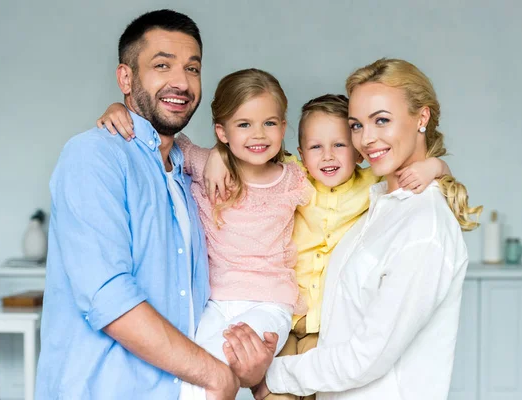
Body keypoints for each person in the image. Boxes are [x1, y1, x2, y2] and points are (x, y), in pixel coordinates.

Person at [100, 90, 450, 400]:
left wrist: (435, 165)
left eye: (340, 145)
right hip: (283, 315)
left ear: (358, 152)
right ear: (300, 152)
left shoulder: (369, 184)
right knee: (226, 374)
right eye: (316, 147)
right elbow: (191, 147)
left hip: (325, 326)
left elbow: (403, 163)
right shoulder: (298, 177)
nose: (327, 156)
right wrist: (219, 152)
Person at [221, 58, 483, 400]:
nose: (367, 139)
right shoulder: (379, 206)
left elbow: (366, 356)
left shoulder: (424, 227)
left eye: (382, 121)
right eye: (357, 125)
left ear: (422, 117)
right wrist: (218, 154)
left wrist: (268, 374)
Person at [35, 10, 240, 400]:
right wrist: (214, 375)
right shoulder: (93, 156)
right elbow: (108, 297)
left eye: (192, 68)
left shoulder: (188, 171)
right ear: (125, 78)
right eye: (162, 65)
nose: (181, 82)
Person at [98, 68, 313, 400]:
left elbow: (348, 170)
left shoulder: (295, 178)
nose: (258, 134)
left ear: (283, 127)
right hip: (214, 303)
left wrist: (426, 167)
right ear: (222, 132)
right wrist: (119, 110)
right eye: (244, 124)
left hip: (269, 303)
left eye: (269, 123)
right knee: (191, 381)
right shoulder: (201, 164)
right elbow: (158, 135)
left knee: (221, 371)